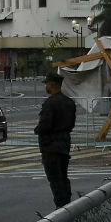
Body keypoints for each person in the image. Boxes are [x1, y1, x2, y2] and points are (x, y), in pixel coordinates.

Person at [34, 72, 76, 208]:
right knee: (63, 177)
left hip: (50, 146)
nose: (46, 86)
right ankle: (67, 204)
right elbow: (71, 124)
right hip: (64, 143)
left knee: (55, 179)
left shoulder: (50, 103)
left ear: (51, 85)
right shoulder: (69, 102)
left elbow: (45, 125)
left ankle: (60, 207)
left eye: (46, 84)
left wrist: (37, 129)